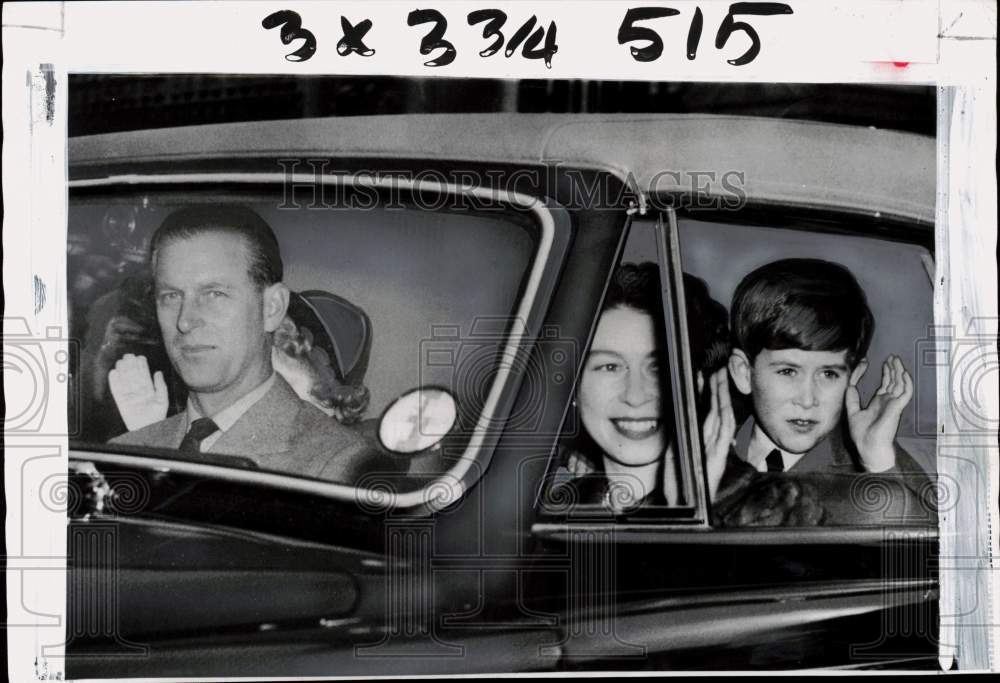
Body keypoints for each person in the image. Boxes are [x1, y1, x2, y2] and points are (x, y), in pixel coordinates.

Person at [108, 205, 379, 483]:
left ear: (272, 308)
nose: (185, 321)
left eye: (215, 293)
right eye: (171, 296)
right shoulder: (126, 451)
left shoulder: (340, 465)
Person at [704, 258, 928, 526]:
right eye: (787, 372)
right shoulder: (702, 448)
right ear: (743, 373)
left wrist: (879, 463)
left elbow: (925, 555)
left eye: (829, 374)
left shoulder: (879, 463)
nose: (807, 399)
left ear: (853, 377)